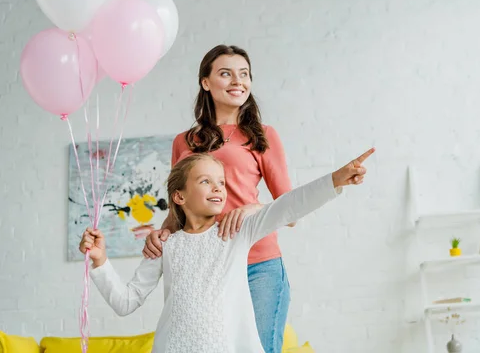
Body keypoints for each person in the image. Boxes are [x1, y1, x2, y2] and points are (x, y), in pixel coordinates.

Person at [80, 148, 374, 353]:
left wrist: (334, 180)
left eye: (221, 182)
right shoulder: (166, 244)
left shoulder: (237, 231)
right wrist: (101, 261)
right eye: (205, 181)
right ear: (179, 196)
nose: (218, 188)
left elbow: (287, 207)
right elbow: (126, 302)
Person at [143, 44, 295, 352]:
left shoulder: (262, 136)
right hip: (206, 269)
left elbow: (291, 211)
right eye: (226, 73)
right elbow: (179, 205)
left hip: (258, 265)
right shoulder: (184, 142)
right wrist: (161, 234)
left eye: (244, 74)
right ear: (206, 82)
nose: (238, 81)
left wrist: (255, 207)